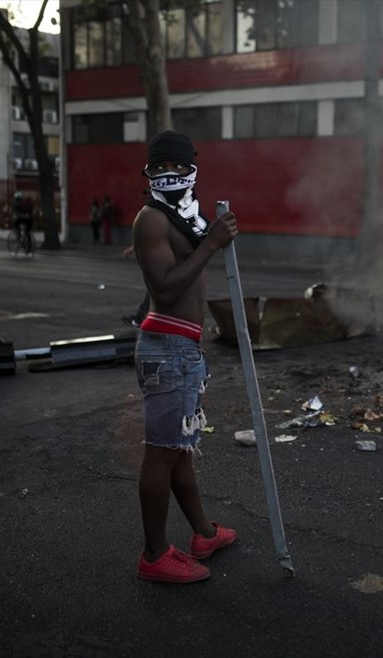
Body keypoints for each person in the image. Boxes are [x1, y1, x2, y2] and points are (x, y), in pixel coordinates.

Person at [129, 129, 239, 583]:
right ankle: (155, 555)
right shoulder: (151, 218)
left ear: (190, 167)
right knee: (161, 454)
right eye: (161, 167)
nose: (170, 174)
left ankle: (203, 533)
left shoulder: (184, 215)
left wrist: (210, 237)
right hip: (167, 347)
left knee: (178, 452)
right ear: (150, 171)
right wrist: (212, 244)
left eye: (178, 165)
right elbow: (166, 288)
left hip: (183, 347)